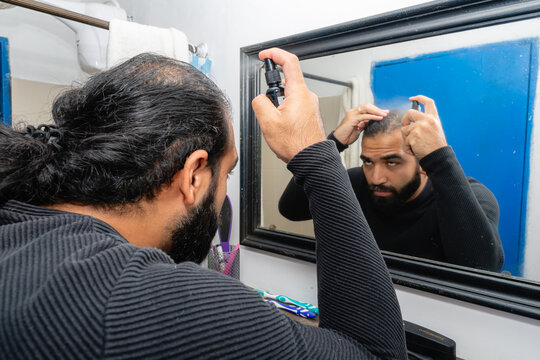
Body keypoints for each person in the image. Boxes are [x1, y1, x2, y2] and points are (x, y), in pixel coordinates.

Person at [0, 50, 407, 359]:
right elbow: (375, 352)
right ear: (194, 175)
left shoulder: (17, 226)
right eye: (226, 173)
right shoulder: (144, 300)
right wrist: (316, 153)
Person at [279, 99, 504, 272]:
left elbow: (483, 269)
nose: (376, 177)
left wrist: (438, 157)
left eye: (392, 162)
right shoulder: (359, 182)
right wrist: (333, 143)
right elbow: (291, 209)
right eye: (368, 161)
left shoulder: (473, 196)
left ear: (422, 161)